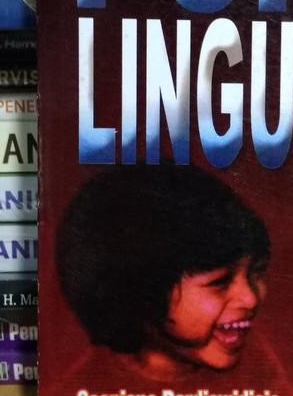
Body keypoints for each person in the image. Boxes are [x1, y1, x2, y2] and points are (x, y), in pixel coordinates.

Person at [55, 163, 272, 383]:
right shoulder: (77, 393)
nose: (251, 298)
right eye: (220, 282)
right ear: (140, 293)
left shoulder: (267, 381)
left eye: (255, 273)